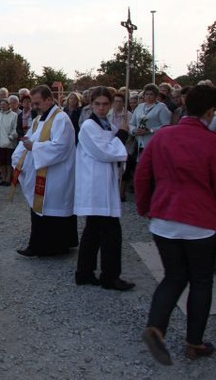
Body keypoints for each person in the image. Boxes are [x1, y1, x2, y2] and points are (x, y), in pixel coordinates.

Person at [135, 85, 216, 365]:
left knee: (174, 276)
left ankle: (156, 326)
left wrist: (145, 207)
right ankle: (194, 342)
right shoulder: (212, 141)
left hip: (164, 218)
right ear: (211, 111)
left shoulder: (163, 136)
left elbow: (143, 175)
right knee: (201, 280)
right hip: (200, 222)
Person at [73, 87, 134, 290]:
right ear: (91, 104)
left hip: (103, 183)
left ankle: (84, 272)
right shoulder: (89, 126)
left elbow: (114, 148)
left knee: (93, 230)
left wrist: (121, 133)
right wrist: (123, 134)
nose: (101, 108)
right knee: (110, 233)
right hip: (95, 185)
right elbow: (105, 152)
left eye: (105, 104)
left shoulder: (106, 125)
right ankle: (109, 276)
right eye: (97, 104)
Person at [11, 85, 78, 257]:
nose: (34, 107)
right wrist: (21, 153)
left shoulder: (61, 119)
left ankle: (52, 248)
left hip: (57, 174)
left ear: (49, 99)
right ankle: (41, 245)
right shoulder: (41, 120)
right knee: (42, 207)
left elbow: (60, 147)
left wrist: (34, 146)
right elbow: (33, 138)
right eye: (33, 103)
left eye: (37, 103)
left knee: (52, 208)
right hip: (45, 172)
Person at [130, 83, 172, 159]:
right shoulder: (140, 107)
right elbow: (131, 123)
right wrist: (134, 130)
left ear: (156, 95)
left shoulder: (161, 107)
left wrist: (150, 130)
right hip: (139, 142)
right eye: (146, 94)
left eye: (151, 94)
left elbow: (166, 126)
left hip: (153, 142)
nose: (148, 96)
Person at [0, 97, 18, 186]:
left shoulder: (14, 115)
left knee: (9, 161)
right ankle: (4, 177)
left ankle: (9, 178)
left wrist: (11, 137)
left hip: (9, 142)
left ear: (9, 105)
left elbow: (15, 128)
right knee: (1, 161)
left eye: (4, 104)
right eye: (1, 105)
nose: (2, 106)